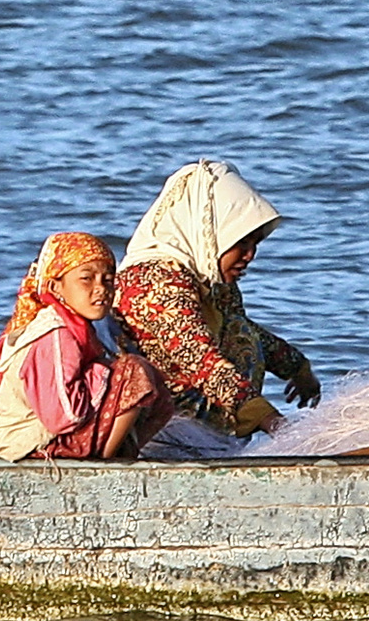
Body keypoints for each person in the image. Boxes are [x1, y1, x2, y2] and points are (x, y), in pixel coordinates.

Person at [114, 161, 319, 438]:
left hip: (210, 426)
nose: (250, 255)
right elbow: (200, 359)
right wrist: (274, 424)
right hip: (166, 426)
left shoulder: (210, 278)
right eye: (242, 243)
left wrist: (296, 367)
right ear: (212, 234)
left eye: (255, 244)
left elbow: (242, 330)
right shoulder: (154, 281)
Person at [0, 232, 171, 461]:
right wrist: (106, 373)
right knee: (132, 371)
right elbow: (63, 416)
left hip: (50, 433)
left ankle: (114, 455)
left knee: (155, 386)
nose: (100, 288)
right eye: (86, 279)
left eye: (107, 280)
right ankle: (104, 464)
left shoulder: (81, 330)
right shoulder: (56, 335)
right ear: (56, 287)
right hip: (30, 441)